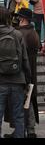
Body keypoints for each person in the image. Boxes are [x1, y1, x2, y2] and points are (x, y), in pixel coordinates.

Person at [0, 7, 31, 138]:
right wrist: (28, 80)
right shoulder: (17, 34)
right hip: (17, 80)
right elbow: (25, 59)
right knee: (18, 115)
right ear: (8, 18)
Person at [16, 8, 40, 138]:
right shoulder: (34, 33)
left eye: (19, 17)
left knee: (22, 102)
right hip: (32, 71)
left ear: (22, 19)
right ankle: (30, 129)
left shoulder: (20, 34)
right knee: (29, 100)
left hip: (22, 72)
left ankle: (26, 130)